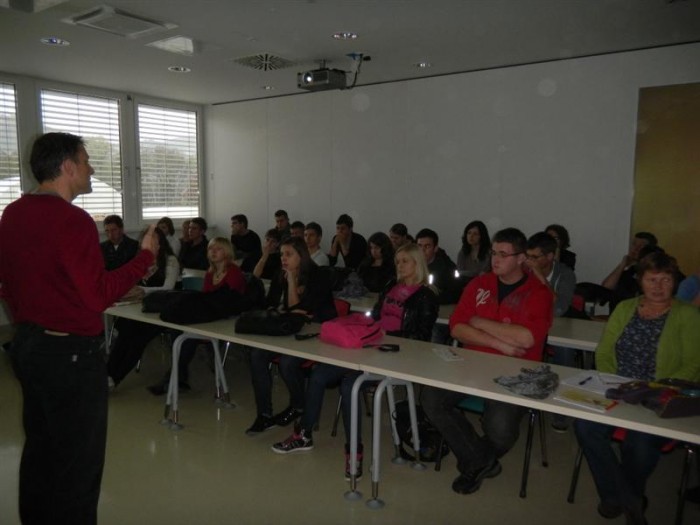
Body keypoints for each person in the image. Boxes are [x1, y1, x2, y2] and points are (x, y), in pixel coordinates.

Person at [0, 132, 157, 524]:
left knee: (41, 453)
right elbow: (97, 295)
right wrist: (144, 257)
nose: (91, 169)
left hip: (29, 347)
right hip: (70, 358)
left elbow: (8, 283)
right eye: (86, 161)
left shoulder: (13, 213)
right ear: (68, 167)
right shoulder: (73, 220)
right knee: (78, 467)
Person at [271, 243, 439, 481]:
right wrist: (366, 329)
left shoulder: (426, 296)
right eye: (397, 261)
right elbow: (377, 316)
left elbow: (420, 337)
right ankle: (304, 435)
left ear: (417, 264)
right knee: (319, 374)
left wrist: (385, 336)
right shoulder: (391, 286)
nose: (399, 266)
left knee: (350, 385)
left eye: (405, 261)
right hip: (369, 344)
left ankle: (354, 450)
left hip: (396, 354)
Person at [422, 227, 552, 496]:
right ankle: (481, 461)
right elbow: (457, 327)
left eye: (503, 254)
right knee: (431, 398)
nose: (495, 259)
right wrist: (500, 343)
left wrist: (479, 321)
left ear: (521, 258)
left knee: (500, 429)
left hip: (517, 372)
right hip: (473, 363)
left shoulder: (538, 292)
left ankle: (475, 461)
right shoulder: (479, 284)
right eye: (493, 253)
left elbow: (527, 338)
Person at [574, 251, 700, 524]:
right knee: (585, 427)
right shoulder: (625, 308)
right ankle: (627, 498)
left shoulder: (689, 315)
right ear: (640, 281)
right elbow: (604, 351)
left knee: (639, 443)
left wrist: (653, 388)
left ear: (674, 282)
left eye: (665, 280)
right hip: (619, 388)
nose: (658, 286)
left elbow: (693, 364)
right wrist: (615, 382)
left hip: (661, 395)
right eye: (651, 279)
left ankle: (617, 498)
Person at [246, 236, 337, 435]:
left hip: (315, 334)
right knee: (257, 355)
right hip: (287, 330)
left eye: (289, 254)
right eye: (281, 255)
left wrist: (291, 284)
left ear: (301, 256)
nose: (283, 259)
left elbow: (299, 309)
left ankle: (298, 406)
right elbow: (271, 304)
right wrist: (279, 309)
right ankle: (264, 414)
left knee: (288, 362)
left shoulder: (318, 275)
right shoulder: (281, 273)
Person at [148, 237, 246, 395]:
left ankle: (173, 379)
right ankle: (178, 377)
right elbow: (205, 300)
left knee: (188, 338)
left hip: (226, 319)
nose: (213, 252)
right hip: (210, 316)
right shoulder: (210, 273)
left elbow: (228, 302)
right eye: (210, 249)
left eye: (218, 249)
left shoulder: (234, 272)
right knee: (177, 331)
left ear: (227, 252)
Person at [107, 228, 179, 388]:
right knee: (124, 333)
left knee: (137, 339)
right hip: (139, 308)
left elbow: (168, 287)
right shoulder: (141, 259)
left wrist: (142, 290)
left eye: (153, 239)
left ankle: (115, 377)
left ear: (160, 243)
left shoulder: (170, 260)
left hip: (160, 310)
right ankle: (108, 374)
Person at [526, 231, 578, 431]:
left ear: (549, 256)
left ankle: (561, 411)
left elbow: (559, 308)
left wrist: (539, 277)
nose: (530, 261)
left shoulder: (565, 274)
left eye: (535, 257)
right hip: (531, 323)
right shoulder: (523, 271)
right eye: (528, 256)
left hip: (559, 326)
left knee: (564, 351)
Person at [415, 228, 459, 304]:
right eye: (419, 246)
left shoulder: (446, 268)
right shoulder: (409, 265)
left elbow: (454, 294)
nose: (422, 250)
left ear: (435, 248)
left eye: (427, 246)